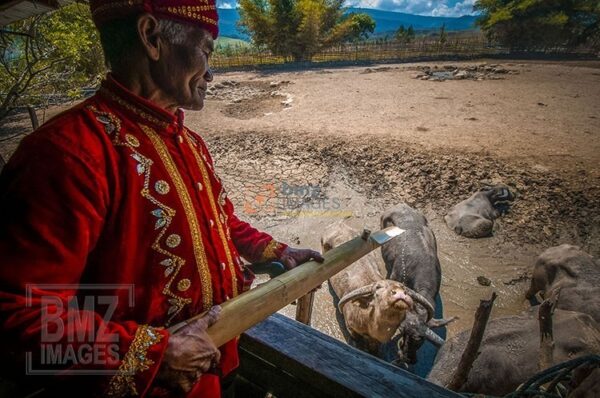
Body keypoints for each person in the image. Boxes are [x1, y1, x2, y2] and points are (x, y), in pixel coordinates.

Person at [0, 1, 323, 396]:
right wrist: (154, 353)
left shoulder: (189, 143)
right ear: (152, 37)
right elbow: (19, 313)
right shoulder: (65, 155)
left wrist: (276, 249)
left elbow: (220, 221)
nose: (210, 70)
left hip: (219, 371)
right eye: (205, 49)